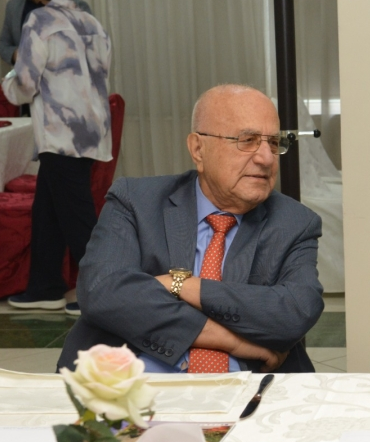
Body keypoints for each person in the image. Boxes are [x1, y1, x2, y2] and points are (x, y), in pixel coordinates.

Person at [57, 84, 324, 373]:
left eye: (273, 142)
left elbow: (296, 311)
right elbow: (103, 291)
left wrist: (182, 285)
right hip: (131, 383)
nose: (267, 158)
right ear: (198, 149)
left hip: (247, 387)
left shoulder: (295, 222)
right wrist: (233, 342)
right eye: (247, 141)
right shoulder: (136, 200)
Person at [2, 0, 111, 316]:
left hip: (61, 133)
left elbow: (25, 82)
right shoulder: (91, 21)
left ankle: (102, 295)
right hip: (91, 131)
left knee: (78, 218)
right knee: (47, 212)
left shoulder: (40, 20)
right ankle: (45, 287)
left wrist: (7, 84)